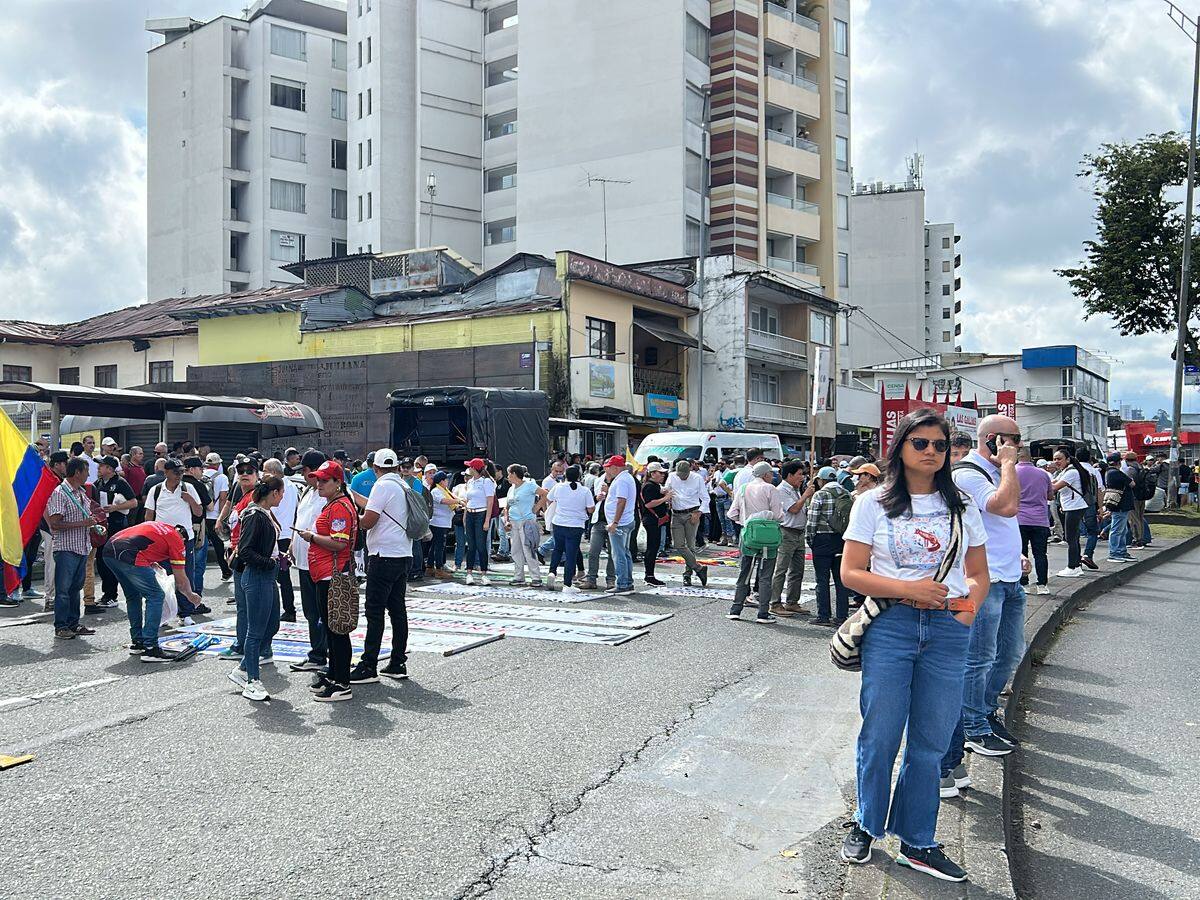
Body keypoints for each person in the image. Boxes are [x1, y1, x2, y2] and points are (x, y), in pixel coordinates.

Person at [839, 409, 989, 883]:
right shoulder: (873, 502)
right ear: (901, 446)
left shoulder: (962, 503)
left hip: (947, 631)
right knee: (880, 734)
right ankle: (867, 825)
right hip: (891, 627)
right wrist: (909, 591)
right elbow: (851, 572)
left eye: (939, 445)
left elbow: (979, 573)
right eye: (920, 443)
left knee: (931, 740)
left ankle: (918, 841)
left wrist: (965, 613)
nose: (930, 452)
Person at [942, 413, 1024, 774]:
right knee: (978, 657)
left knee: (1009, 654)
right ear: (992, 439)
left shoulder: (998, 471)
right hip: (982, 582)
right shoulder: (967, 473)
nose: (1017, 448)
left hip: (1009, 579)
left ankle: (985, 713)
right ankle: (973, 727)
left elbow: (1007, 520)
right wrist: (1007, 464)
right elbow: (1005, 506)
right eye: (1012, 440)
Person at [294, 461, 358, 701]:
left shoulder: (339, 507)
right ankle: (334, 674)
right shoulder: (333, 504)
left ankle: (342, 682)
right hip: (324, 573)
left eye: (324, 480)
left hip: (333, 574)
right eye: (317, 480)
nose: (319, 484)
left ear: (337, 483)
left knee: (336, 630)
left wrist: (312, 537)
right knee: (331, 629)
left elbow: (340, 543)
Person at [353, 449, 414, 685]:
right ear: (397, 466)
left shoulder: (381, 486)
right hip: (403, 553)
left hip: (383, 554)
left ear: (375, 468)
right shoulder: (402, 485)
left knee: (374, 611)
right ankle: (397, 661)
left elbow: (369, 520)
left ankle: (369, 664)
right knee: (397, 609)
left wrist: (353, 518)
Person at [104, 521, 202, 661]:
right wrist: (190, 595)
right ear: (184, 538)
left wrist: (149, 560)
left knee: (133, 596)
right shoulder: (177, 540)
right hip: (129, 554)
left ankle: (138, 642)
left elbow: (142, 539)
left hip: (109, 549)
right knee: (156, 595)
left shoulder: (162, 526)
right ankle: (151, 648)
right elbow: (180, 580)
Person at [226, 476, 285, 701]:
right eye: (282, 493)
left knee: (272, 624)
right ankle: (252, 680)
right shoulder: (254, 515)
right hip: (257, 576)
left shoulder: (265, 513)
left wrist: (277, 558)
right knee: (256, 631)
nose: (283, 497)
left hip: (267, 576)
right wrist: (270, 562)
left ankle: (242, 669)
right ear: (274, 493)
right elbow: (246, 550)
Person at [144, 458, 204, 625]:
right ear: (166, 473)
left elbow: (199, 512)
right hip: (161, 541)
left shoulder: (188, 487)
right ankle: (164, 613)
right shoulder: (156, 490)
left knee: (186, 576)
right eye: (176, 472)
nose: (179, 475)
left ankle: (185, 614)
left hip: (185, 540)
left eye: (182, 472)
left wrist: (190, 500)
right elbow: (149, 515)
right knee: (163, 577)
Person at [45, 458, 99, 641]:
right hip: (67, 548)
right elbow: (55, 523)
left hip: (82, 547)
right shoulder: (61, 493)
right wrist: (83, 523)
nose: (88, 475)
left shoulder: (81, 493)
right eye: (86, 471)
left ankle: (73, 623)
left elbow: (86, 517)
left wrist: (92, 526)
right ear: (77, 472)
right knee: (63, 590)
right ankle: (61, 626)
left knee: (75, 588)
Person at [287, 450, 329, 674]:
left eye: (303, 471)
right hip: (303, 562)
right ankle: (317, 652)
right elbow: (300, 520)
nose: (302, 475)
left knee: (322, 612)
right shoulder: (307, 492)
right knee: (311, 611)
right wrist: (293, 544)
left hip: (320, 561)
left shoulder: (328, 495)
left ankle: (321, 654)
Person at [727, 460, 783, 622]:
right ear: (765, 474)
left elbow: (732, 513)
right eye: (771, 473)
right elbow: (779, 515)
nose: (772, 476)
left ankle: (736, 609)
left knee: (745, 573)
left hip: (748, 535)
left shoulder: (744, 488)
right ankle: (763, 613)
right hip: (768, 537)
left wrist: (745, 520)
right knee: (765, 575)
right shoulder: (770, 488)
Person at [805, 466, 853, 626]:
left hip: (822, 539)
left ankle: (823, 615)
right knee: (840, 580)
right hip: (841, 540)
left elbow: (812, 521)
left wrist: (810, 540)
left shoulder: (820, 495)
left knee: (822, 579)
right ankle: (841, 616)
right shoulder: (847, 494)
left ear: (821, 480)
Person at [91, 455, 137, 609]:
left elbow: (134, 502)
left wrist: (115, 507)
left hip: (116, 525)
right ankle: (107, 593)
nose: (98, 468)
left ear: (110, 469)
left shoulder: (120, 483)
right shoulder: (97, 483)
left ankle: (112, 595)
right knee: (101, 559)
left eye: (101, 466)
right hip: (102, 526)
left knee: (111, 559)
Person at [768, 460, 811, 618]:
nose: (802, 477)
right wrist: (806, 495)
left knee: (797, 570)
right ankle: (775, 602)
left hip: (799, 533)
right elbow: (793, 509)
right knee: (781, 569)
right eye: (800, 474)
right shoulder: (782, 490)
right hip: (787, 532)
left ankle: (792, 601)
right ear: (789, 475)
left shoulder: (795, 489)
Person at [544, 465, 593, 591]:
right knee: (571, 554)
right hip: (576, 525)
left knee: (558, 549)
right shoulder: (585, 490)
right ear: (579, 477)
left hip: (559, 522)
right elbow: (591, 508)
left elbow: (549, 498)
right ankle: (567, 584)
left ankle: (552, 572)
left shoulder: (559, 487)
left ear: (565, 475)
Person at [263, 459, 299, 621]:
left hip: (278, 536)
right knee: (283, 575)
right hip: (286, 535)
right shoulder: (292, 486)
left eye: (265, 471)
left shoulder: (275, 488)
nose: (263, 475)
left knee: (280, 575)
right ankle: (287, 608)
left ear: (274, 472)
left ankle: (289, 610)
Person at [665, 460, 709, 588]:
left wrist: (699, 512)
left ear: (690, 470)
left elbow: (705, 498)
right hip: (676, 514)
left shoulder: (697, 478)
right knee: (678, 545)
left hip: (692, 513)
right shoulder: (672, 476)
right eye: (680, 475)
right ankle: (699, 568)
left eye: (684, 474)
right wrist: (664, 492)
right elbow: (666, 489)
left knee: (690, 546)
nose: (682, 477)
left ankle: (687, 574)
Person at [1016, 449, 1053, 595]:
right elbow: (1050, 495)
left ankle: (1023, 584)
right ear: (1031, 458)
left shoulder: (1011, 472)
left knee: (1020, 552)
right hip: (1040, 520)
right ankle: (1042, 585)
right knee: (1040, 554)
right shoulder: (1043, 474)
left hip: (1019, 519)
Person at [1050, 448, 1090, 578]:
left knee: (1070, 538)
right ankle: (1076, 565)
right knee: (1073, 537)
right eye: (1055, 459)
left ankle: (1072, 566)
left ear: (1067, 459)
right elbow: (1053, 483)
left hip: (1074, 507)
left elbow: (1055, 487)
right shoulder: (1065, 471)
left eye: (1059, 459)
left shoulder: (1071, 472)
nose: (1056, 461)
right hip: (1072, 506)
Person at [602, 455, 638, 595]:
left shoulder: (622, 480)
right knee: (625, 553)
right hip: (626, 521)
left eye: (608, 467)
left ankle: (623, 583)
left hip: (620, 523)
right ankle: (627, 582)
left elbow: (621, 501)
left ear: (615, 467)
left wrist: (614, 522)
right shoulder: (626, 478)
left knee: (619, 554)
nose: (607, 470)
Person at [503, 464, 542, 586]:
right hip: (514, 522)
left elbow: (545, 494)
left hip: (526, 521)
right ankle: (519, 576)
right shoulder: (511, 489)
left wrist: (536, 508)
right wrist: (506, 520)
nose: (507, 476)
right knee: (515, 550)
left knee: (528, 549)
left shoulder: (529, 485)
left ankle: (536, 577)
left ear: (514, 474)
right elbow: (507, 506)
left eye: (509, 473)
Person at [581, 466, 616, 591]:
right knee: (593, 551)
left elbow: (623, 500)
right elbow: (590, 499)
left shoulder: (619, 482)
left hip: (613, 522)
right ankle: (591, 579)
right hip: (598, 520)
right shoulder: (598, 481)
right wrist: (596, 498)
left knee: (613, 553)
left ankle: (611, 580)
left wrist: (610, 491)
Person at [462, 458, 495, 586]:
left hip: (481, 513)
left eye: (470, 466)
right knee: (471, 546)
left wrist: (487, 520)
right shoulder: (470, 482)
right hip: (470, 513)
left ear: (475, 468)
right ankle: (469, 573)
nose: (469, 468)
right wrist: (465, 515)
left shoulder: (486, 481)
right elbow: (468, 500)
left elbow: (490, 501)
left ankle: (484, 574)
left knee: (481, 545)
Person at [202, 453, 233, 582]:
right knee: (218, 546)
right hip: (215, 517)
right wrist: (222, 516)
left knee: (200, 546)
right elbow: (222, 498)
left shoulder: (200, 476)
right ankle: (225, 571)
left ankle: (197, 574)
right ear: (218, 464)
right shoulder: (222, 478)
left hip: (202, 515)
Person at [638, 463, 671, 586]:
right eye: (660, 473)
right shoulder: (649, 486)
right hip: (652, 521)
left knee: (654, 548)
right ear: (652, 473)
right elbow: (649, 504)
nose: (663, 475)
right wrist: (665, 498)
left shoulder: (654, 486)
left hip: (655, 520)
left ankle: (650, 575)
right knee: (652, 548)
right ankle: (649, 575)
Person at [1104, 451, 1137, 563]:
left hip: (1117, 504)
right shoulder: (1117, 473)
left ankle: (1121, 551)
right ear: (1119, 462)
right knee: (1117, 530)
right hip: (1121, 505)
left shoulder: (1109, 472)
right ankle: (1114, 553)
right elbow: (1132, 484)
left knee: (1121, 529)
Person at [1075, 447, 1103, 568]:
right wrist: (1100, 508)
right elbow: (1099, 491)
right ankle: (1087, 554)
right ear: (1090, 458)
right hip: (1089, 505)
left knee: (1074, 533)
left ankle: (1075, 559)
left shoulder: (1072, 470)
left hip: (1073, 505)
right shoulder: (1094, 471)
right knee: (1093, 531)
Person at [426, 471, 456, 577]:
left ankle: (430, 567)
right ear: (441, 481)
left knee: (435, 545)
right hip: (438, 523)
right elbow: (443, 501)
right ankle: (439, 569)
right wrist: (458, 501)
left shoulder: (444, 490)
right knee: (439, 546)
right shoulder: (436, 491)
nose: (447, 481)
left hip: (443, 522)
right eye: (446, 479)